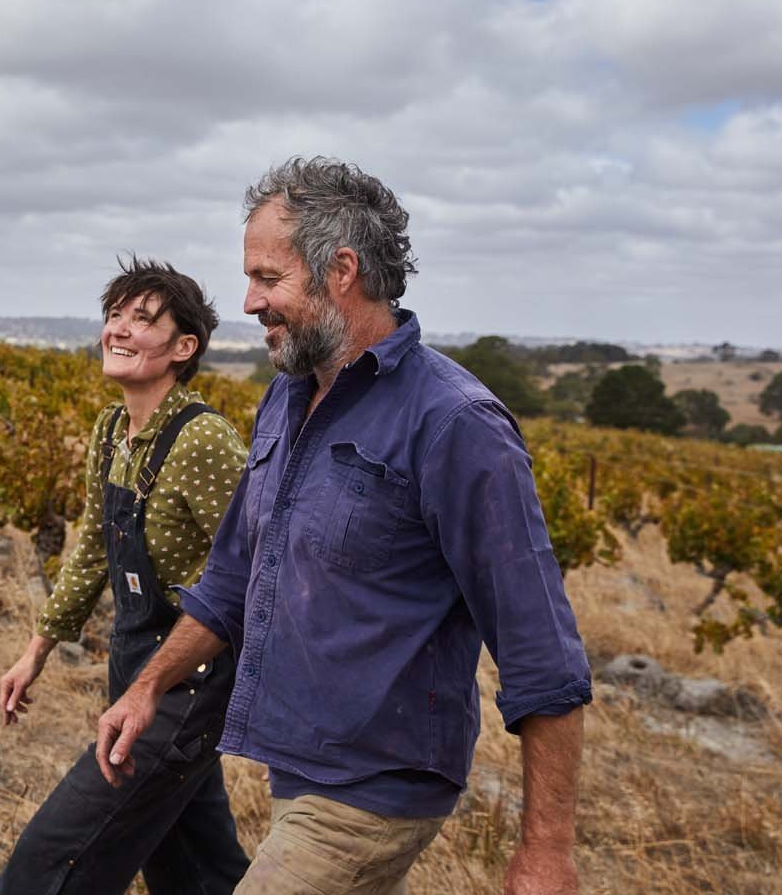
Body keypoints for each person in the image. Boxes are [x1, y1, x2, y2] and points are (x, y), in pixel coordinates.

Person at [96, 158, 592, 895]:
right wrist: (148, 687)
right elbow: (232, 576)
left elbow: (539, 649)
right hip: (301, 769)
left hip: (377, 784)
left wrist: (547, 851)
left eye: (268, 278)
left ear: (341, 271)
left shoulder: (455, 425)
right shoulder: (286, 400)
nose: (250, 300)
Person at [0, 257, 252, 894]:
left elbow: (255, 571)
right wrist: (38, 649)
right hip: (132, 664)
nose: (120, 329)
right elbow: (90, 548)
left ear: (183, 347)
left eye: (143, 319)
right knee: (194, 869)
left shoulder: (205, 441)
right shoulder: (112, 431)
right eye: (115, 316)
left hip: (188, 683)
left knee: (52, 863)